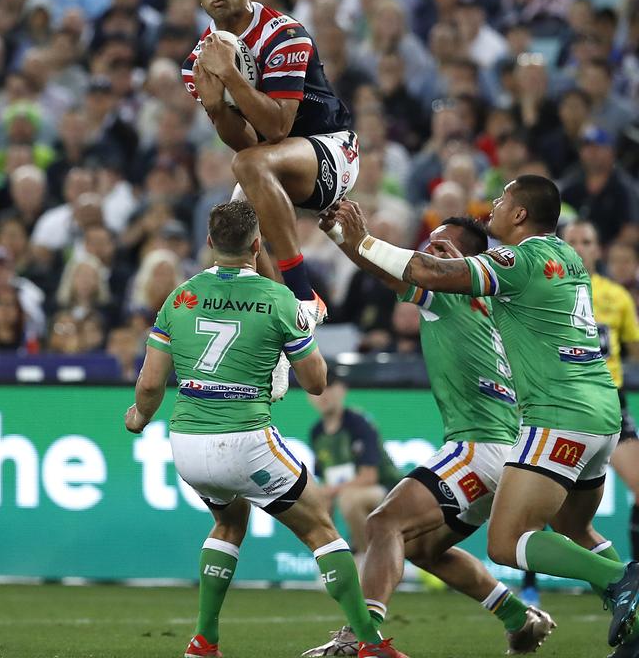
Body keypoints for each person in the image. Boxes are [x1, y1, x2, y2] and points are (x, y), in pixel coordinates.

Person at [330, 177, 639, 656]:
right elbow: (409, 274)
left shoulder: (497, 273)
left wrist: (362, 239)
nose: (493, 205)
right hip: (602, 410)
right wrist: (348, 239)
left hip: (534, 423)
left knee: (487, 540)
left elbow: (422, 275)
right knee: (569, 530)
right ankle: (592, 624)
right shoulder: (562, 262)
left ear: (519, 215)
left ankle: (624, 580)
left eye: (502, 200)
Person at [124, 200, 408, 658]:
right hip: (245, 440)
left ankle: (204, 640)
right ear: (257, 245)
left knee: (229, 521)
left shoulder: (181, 297)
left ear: (211, 243)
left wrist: (138, 418)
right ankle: (370, 644)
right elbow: (317, 383)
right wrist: (298, 333)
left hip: (188, 445)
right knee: (320, 530)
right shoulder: (278, 300)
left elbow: (151, 383)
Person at [304, 217, 555, 657]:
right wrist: (347, 237)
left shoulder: (448, 294)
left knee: (384, 523)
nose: (431, 255)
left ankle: (362, 639)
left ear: (470, 262)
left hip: (477, 447)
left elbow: (386, 269)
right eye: (430, 246)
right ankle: (519, 618)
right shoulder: (499, 305)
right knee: (422, 549)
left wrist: (345, 234)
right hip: (504, 450)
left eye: (443, 250)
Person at [182, 0, 359, 322]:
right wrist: (216, 110)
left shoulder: (284, 33)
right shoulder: (195, 62)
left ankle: (302, 294)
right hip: (271, 163)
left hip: (331, 148)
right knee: (232, 232)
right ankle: (278, 319)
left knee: (250, 163)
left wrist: (230, 77)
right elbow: (247, 142)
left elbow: (278, 126)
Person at [564, 221, 639, 560]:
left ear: (598, 249)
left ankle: (634, 578)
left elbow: (634, 348)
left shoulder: (616, 297)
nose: (580, 247)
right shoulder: (548, 291)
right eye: (573, 241)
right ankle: (531, 580)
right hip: (563, 401)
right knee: (550, 501)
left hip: (611, 403)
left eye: (587, 241)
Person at [306, 371, 403, 563]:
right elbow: (326, 480)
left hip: (389, 493)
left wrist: (330, 491)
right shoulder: (317, 433)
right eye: (317, 390)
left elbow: (369, 476)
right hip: (350, 493)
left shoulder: (358, 424)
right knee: (319, 503)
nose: (323, 395)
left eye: (330, 387)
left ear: (342, 390)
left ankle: (368, 560)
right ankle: (330, 560)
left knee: (348, 499)